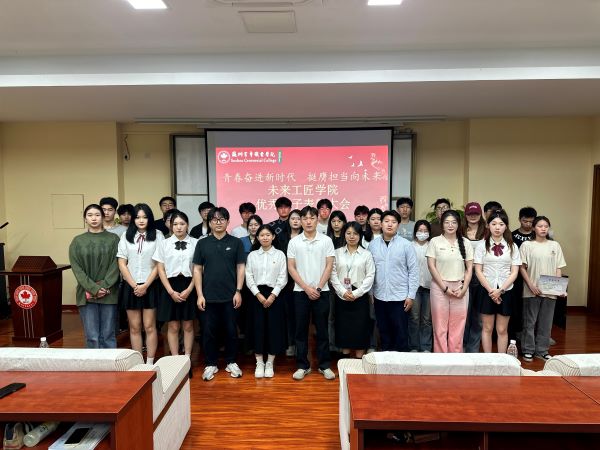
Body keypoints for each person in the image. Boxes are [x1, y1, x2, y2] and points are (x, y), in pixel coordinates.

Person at [193, 207, 246, 381]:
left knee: (231, 330)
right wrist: (200, 294)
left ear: (228, 221)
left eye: (222, 219)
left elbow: (240, 267)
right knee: (209, 332)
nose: (218, 222)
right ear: (209, 222)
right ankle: (211, 363)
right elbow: (197, 269)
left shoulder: (236, 242)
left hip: (231, 296)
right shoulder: (202, 243)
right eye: (214, 219)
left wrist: (238, 291)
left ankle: (231, 361)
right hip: (208, 296)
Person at [287, 206, 336, 380]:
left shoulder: (326, 240)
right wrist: (307, 288)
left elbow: (329, 265)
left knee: (322, 330)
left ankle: (324, 365)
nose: (308, 221)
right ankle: (302, 365)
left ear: (317, 219)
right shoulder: (294, 242)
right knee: (300, 330)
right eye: (305, 218)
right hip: (300, 292)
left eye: (312, 218)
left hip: (322, 291)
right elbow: (291, 267)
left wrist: (319, 288)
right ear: (300, 221)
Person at [117, 203, 164, 364]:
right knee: (134, 327)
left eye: (144, 217)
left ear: (150, 218)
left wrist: (145, 285)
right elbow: (122, 263)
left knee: (149, 326)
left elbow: (159, 263)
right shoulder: (126, 235)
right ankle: (138, 362)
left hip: (151, 285)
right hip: (131, 286)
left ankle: (149, 362)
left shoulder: (158, 235)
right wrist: (134, 285)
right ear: (133, 219)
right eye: (137, 217)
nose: (141, 220)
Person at [69, 204, 120, 348]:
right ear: (85, 218)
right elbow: (77, 269)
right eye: (90, 215)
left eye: (97, 215)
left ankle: (110, 362)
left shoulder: (113, 239)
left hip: (109, 292)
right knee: (92, 336)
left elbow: (117, 264)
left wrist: (104, 286)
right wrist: (94, 288)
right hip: (86, 294)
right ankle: (94, 363)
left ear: (103, 217)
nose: (94, 218)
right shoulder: (77, 241)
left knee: (108, 335)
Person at [153, 210, 198, 372]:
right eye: (175, 224)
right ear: (171, 226)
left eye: (182, 224)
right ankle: (175, 360)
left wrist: (190, 289)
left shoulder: (196, 243)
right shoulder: (164, 243)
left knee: (188, 325)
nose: (179, 227)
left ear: (187, 225)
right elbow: (160, 269)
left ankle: (186, 360)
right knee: (172, 326)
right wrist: (171, 291)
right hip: (169, 286)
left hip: (190, 284)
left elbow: (199, 269)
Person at [369, 211, 419, 352]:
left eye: (393, 222)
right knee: (384, 332)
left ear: (398, 225)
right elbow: (370, 271)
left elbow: (413, 271)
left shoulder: (406, 245)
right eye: (386, 221)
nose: (390, 224)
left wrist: (411, 296)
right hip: (379, 296)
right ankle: (386, 360)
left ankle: (401, 362)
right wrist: (371, 292)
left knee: (401, 333)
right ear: (381, 224)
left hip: (400, 297)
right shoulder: (372, 245)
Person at [519, 216, 566, 362]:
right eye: (540, 226)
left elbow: (558, 267)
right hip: (531, 290)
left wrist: (559, 288)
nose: (543, 229)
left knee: (546, 323)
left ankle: (542, 350)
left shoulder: (555, 245)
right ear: (534, 228)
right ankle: (528, 350)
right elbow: (522, 268)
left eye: (546, 226)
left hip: (550, 291)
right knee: (530, 322)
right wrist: (531, 285)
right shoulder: (527, 245)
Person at [474, 209, 521, 354]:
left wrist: (500, 290)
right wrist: (491, 291)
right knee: (487, 328)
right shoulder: (482, 245)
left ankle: (502, 359)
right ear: (488, 225)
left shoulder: (512, 246)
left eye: (501, 224)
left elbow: (514, 272)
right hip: (486, 290)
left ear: (506, 226)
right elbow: (478, 271)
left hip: (506, 291)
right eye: (493, 224)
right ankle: (488, 359)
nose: (497, 227)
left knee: (502, 329)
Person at [427, 210, 474, 353]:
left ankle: (455, 357)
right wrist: (444, 288)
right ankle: (441, 358)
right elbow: (431, 266)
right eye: (447, 222)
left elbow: (469, 268)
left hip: (460, 288)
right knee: (439, 326)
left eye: (454, 222)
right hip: (439, 288)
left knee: (458, 326)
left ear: (459, 224)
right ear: (442, 224)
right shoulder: (435, 242)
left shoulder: (465, 242)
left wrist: (464, 288)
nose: (450, 225)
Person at [245, 224, 288, 378]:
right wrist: (258, 294)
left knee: (273, 329)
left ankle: (269, 362)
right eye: (262, 235)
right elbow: (248, 276)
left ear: (273, 237)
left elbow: (283, 277)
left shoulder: (280, 255)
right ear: (257, 237)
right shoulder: (252, 255)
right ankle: (259, 362)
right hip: (256, 295)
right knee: (257, 328)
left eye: (268, 235)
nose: (265, 237)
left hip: (275, 295)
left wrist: (273, 295)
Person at [330, 222, 375, 358]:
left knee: (360, 329)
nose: (352, 236)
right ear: (344, 234)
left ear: (360, 235)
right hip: (341, 295)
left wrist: (356, 293)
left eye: (355, 233)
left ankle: (359, 360)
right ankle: (345, 360)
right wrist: (343, 292)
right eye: (348, 233)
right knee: (344, 329)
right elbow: (332, 274)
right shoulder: (337, 253)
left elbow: (370, 276)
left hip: (360, 296)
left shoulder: (366, 254)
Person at [276, 208, 303, 357]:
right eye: (293, 218)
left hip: (303, 280)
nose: (295, 221)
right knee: (288, 314)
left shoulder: (306, 236)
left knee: (301, 314)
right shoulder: (281, 237)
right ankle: (290, 344)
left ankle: (301, 345)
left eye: (298, 218)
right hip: (285, 282)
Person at [509, 206, 538, 342]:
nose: (528, 224)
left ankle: (532, 335)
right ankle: (515, 335)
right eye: (525, 221)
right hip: (516, 277)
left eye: (531, 221)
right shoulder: (511, 235)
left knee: (533, 307)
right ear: (519, 219)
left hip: (533, 275)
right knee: (516, 305)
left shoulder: (538, 235)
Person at [462, 201, 486, 353]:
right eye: (470, 214)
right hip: (462, 276)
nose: (473, 216)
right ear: (465, 215)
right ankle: (462, 346)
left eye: (476, 213)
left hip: (481, 278)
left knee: (477, 316)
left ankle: (473, 349)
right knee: (463, 314)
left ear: (480, 214)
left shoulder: (487, 232)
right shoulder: (460, 231)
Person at [239, 214, 263, 353]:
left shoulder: (265, 239)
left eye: (256, 225)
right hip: (245, 283)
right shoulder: (241, 241)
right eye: (251, 225)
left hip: (261, 283)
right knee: (246, 313)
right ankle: (248, 344)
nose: (253, 227)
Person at [409, 220, 433, 352]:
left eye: (425, 231)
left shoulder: (433, 245)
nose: (422, 233)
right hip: (414, 287)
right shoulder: (409, 246)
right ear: (415, 232)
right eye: (420, 231)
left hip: (430, 286)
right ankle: (414, 346)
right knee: (414, 317)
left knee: (427, 319)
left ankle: (426, 347)